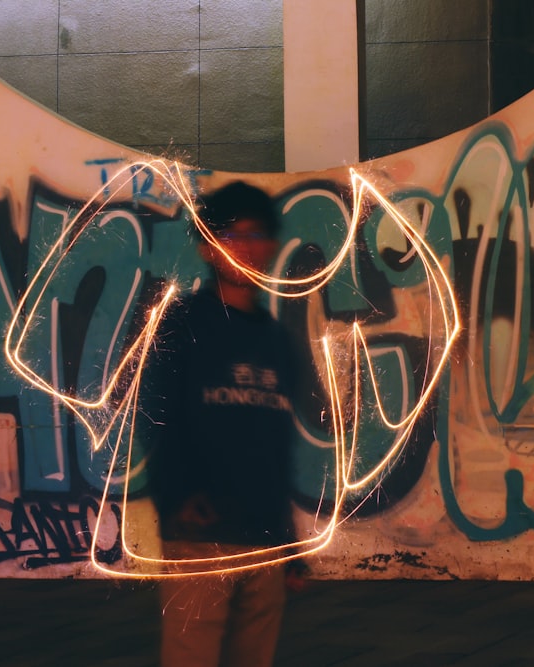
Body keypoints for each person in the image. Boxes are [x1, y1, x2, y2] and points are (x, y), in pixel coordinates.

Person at [143, 181, 302, 667]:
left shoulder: (277, 341)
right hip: (200, 538)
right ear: (208, 247)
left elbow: (275, 446)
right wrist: (177, 499)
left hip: (264, 541)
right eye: (236, 235)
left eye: (260, 235)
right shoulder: (183, 325)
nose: (250, 248)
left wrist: (289, 539)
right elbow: (159, 417)